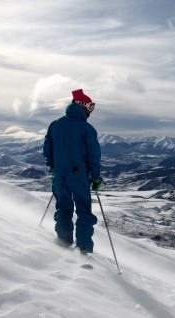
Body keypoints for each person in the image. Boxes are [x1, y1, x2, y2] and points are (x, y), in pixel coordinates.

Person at [43, 89, 102, 254]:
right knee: (83, 211)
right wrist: (95, 178)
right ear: (82, 105)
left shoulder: (55, 125)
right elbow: (94, 156)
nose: (91, 110)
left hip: (59, 177)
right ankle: (83, 249)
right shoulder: (86, 129)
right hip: (78, 176)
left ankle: (62, 244)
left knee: (63, 209)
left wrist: (53, 168)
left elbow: (47, 150)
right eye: (90, 106)